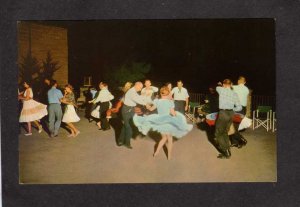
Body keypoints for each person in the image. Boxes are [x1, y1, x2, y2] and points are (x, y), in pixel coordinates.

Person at [133, 86, 193, 160]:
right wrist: (176, 115)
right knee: (170, 139)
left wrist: (147, 105)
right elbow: (173, 113)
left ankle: (156, 152)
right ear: (167, 94)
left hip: (160, 122)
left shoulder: (157, 101)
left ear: (161, 94)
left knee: (164, 138)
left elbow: (151, 109)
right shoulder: (170, 102)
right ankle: (169, 156)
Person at [215, 79, 242, 159]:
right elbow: (239, 107)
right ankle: (227, 150)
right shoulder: (234, 94)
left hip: (223, 113)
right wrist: (232, 110)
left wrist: (220, 84)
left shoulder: (220, 89)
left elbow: (217, 87)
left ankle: (226, 151)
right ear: (230, 85)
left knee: (218, 133)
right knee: (225, 132)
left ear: (224, 85)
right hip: (231, 114)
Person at [118, 82, 148, 149]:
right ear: (137, 86)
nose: (140, 89)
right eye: (140, 88)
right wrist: (146, 104)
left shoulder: (134, 91)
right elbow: (137, 100)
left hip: (131, 109)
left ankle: (120, 140)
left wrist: (144, 96)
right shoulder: (132, 92)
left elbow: (138, 97)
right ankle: (127, 143)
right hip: (126, 110)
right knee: (129, 128)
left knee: (125, 125)